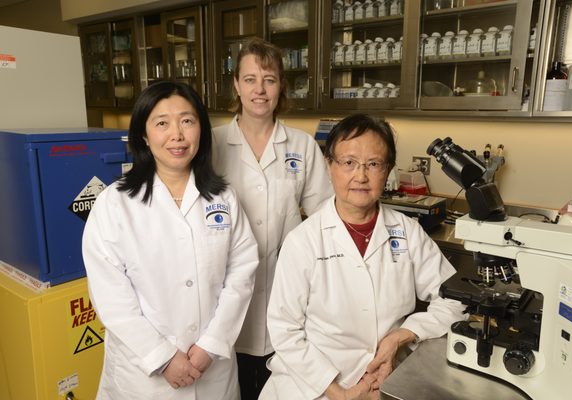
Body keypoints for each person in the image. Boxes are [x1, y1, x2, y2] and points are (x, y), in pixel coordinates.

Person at [260, 114, 467, 400]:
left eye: (373, 164)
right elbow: (284, 330)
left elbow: (456, 300)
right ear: (329, 165)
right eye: (348, 163)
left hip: (385, 383)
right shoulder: (303, 241)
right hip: (311, 390)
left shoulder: (406, 232)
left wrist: (404, 335)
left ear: (388, 170)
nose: (361, 176)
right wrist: (337, 392)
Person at [82, 81, 259, 400]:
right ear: (144, 136)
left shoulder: (224, 198)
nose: (177, 134)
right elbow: (111, 296)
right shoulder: (115, 203)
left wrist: (211, 345)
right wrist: (162, 357)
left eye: (187, 121)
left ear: (201, 131)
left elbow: (242, 274)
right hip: (144, 377)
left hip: (212, 368)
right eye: (162, 123)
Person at [212, 37, 333, 400]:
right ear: (236, 84)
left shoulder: (302, 145)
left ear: (282, 86)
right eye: (250, 79)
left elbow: (324, 220)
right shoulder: (212, 145)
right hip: (223, 298)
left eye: (269, 79)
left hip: (288, 296)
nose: (259, 90)